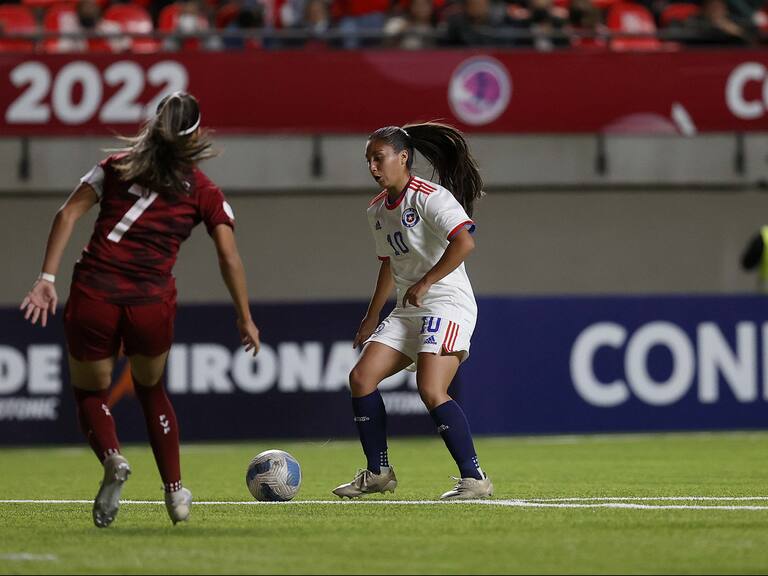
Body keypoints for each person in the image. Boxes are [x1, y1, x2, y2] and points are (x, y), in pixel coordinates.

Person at [19, 92, 260, 528]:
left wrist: (46, 279)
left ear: (155, 124)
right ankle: (174, 493)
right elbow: (229, 257)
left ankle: (112, 457)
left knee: (91, 393)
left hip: (94, 293)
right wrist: (244, 316)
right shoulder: (203, 189)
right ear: (194, 137)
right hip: (150, 302)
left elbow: (67, 214)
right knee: (151, 389)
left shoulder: (115, 166)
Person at [332, 122, 492, 500]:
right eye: (368, 159)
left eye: (379, 158)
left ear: (403, 158)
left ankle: (475, 478)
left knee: (431, 388)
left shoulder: (430, 197)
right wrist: (372, 316)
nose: (372, 166)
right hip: (409, 308)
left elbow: (465, 243)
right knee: (361, 378)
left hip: (447, 301)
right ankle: (378, 472)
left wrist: (426, 282)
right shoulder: (377, 210)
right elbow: (388, 264)